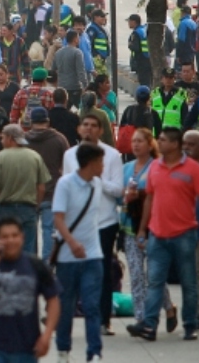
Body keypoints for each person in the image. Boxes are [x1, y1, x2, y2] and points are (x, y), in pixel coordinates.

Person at [127, 127, 199, 342]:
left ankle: (189, 324)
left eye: (163, 140)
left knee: (189, 283)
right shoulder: (155, 168)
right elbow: (150, 198)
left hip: (184, 234)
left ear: (175, 144)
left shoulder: (193, 169)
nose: (158, 143)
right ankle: (150, 325)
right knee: (155, 281)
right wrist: (143, 228)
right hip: (157, 235)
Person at [0, 217, 60, 363]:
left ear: (22, 237)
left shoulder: (35, 265)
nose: (10, 240)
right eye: (5, 236)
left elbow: (53, 300)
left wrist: (46, 336)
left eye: (15, 235)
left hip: (26, 348)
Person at [63, 114, 124, 337]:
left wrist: (94, 179)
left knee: (103, 271)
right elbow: (65, 187)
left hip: (105, 221)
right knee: (74, 272)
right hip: (77, 223)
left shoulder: (113, 155)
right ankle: (68, 316)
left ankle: (103, 319)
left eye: (93, 126)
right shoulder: (69, 155)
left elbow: (118, 189)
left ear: (101, 130)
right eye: (85, 125)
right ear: (79, 130)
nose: (88, 129)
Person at [54, 143, 106, 362]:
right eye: (100, 162)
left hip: (93, 255)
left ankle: (94, 352)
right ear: (91, 163)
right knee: (65, 307)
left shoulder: (97, 185)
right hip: (67, 258)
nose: (103, 166)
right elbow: (58, 218)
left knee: (92, 305)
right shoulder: (65, 184)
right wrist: (72, 242)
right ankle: (63, 349)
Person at [121, 128, 177, 329]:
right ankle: (141, 319)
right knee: (136, 275)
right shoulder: (126, 167)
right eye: (133, 141)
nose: (135, 145)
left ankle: (169, 307)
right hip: (129, 227)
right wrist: (125, 195)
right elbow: (121, 195)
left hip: (154, 228)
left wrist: (141, 195)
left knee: (155, 276)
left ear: (149, 144)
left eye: (140, 141)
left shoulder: (157, 167)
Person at [0, 124, 51, 255]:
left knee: (7, 249)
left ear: (10, 138)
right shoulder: (35, 156)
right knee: (28, 249)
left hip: (6, 209)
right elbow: (42, 188)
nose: (1, 141)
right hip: (28, 208)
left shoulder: (1, 157)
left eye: (3, 137)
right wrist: (36, 206)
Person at [24, 107, 72, 260]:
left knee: (29, 233)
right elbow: (67, 166)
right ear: (48, 121)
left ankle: (31, 266)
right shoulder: (59, 139)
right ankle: (47, 265)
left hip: (29, 193)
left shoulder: (23, 140)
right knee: (49, 231)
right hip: (53, 193)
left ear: (31, 122)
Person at [128, 14, 152, 87]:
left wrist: (130, 45)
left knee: (144, 81)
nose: (128, 23)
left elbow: (136, 47)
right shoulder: (144, 30)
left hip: (141, 60)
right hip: (148, 59)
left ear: (134, 22)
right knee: (149, 81)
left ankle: (145, 96)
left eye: (129, 21)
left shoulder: (136, 33)